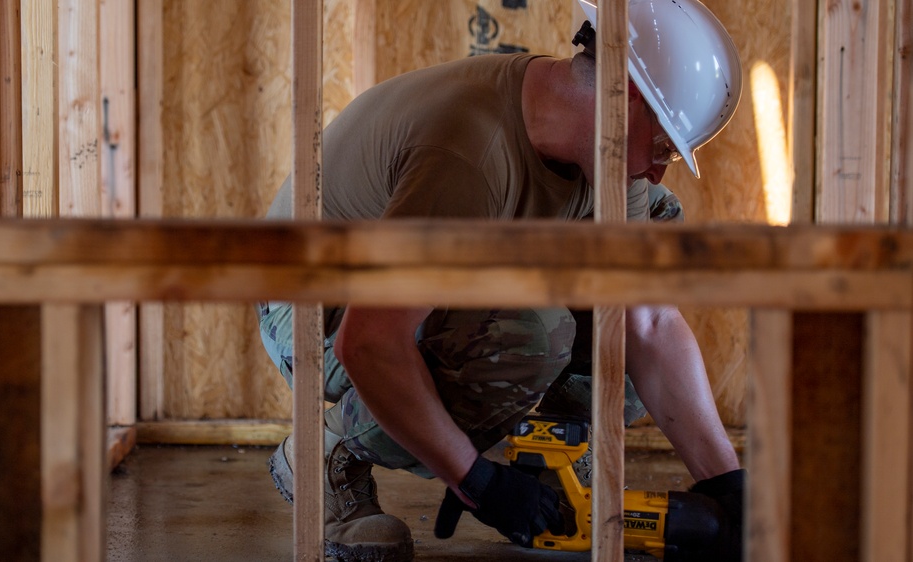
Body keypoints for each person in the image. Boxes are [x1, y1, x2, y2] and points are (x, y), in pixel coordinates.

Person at [257, 0, 746, 560]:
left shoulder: (609, 156)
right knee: (530, 335)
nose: (658, 169)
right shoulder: (467, 151)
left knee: (629, 308)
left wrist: (725, 487)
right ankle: (326, 453)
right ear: (625, 98)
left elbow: (650, 321)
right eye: (662, 147)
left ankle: (541, 455)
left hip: (421, 297)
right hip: (314, 310)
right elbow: (369, 341)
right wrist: (478, 484)